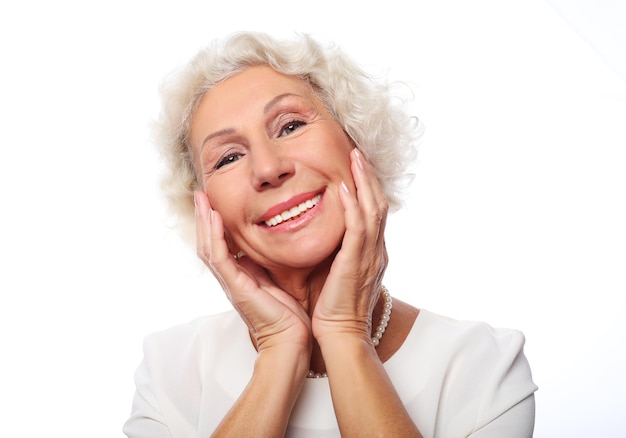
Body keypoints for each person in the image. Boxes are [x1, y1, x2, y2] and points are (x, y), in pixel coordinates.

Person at [123, 32, 537, 437]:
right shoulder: (168, 373)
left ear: (359, 143)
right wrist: (278, 350)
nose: (268, 169)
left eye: (289, 126)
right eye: (229, 157)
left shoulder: (485, 369)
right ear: (206, 210)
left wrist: (346, 335)